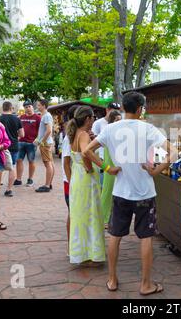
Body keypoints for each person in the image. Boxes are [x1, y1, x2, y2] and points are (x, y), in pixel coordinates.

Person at [83, 91, 177, 296]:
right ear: (141, 108)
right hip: (145, 192)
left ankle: (112, 279)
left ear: (123, 108)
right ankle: (145, 284)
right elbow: (174, 152)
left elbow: (87, 151)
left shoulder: (111, 129)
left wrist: (108, 168)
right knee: (145, 238)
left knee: (115, 236)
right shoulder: (149, 129)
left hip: (121, 192)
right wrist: (154, 171)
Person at [66, 106, 119, 264]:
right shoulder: (83, 135)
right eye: (93, 118)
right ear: (88, 119)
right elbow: (86, 152)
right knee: (91, 215)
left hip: (77, 178)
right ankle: (91, 254)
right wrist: (106, 167)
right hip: (86, 179)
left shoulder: (76, 133)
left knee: (81, 216)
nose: (94, 120)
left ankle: (82, 253)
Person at [100, 110, 122, 227]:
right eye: (117, 120)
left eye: (120, 120)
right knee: (107, 192)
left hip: (119, 166)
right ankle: (104, 219)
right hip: (110, 165)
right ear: (111, 121)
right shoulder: (108, 132)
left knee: (116, 193)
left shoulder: (120, 133)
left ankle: (111, 218)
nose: (120, 122)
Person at [61, 105, 78, 254]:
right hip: (70, 181)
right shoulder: (69, 137)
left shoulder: (78, 134)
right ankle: (70, 247)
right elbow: (66, 163)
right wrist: (72, 181)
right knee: (72, 213)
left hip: (75, 181)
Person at [91, 102, 122, 184]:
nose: (115, 112)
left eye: (117, 110)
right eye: (113, 110)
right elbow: (93, 141)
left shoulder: (120, 124)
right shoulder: (98, 123)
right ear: (107, 110)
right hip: (103, 160)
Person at [0, 101, 24, 197]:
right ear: (11, 108)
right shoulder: (16, 119)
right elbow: (22, 134)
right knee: (12, 167)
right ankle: (9, 189)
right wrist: (15, 138)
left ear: (3, 108)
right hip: (14, 145)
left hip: (1, 146)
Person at [16, 100, 41, 187]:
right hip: (21, 142)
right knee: (19, 160)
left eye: (29, 106)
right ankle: (18, 179)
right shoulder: (21, 117)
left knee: (31, 161)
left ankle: (30, 179)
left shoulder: (38, 118)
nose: (28, 108)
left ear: (32, 107)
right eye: (26, 107)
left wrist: (37, 140)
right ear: (24, 108)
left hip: (31, 143)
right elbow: (18, 129)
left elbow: (40, 131)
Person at [35, 99, 55, 192]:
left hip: (45, 143)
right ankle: (49, 183)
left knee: (48, 164)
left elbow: (48, 130)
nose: (37, 107)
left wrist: (42, 141)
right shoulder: (46, 116)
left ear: (43, 106)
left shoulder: (46, 116)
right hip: (47, 142)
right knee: (50, 163)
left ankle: (47, 185)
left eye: (39, 105)